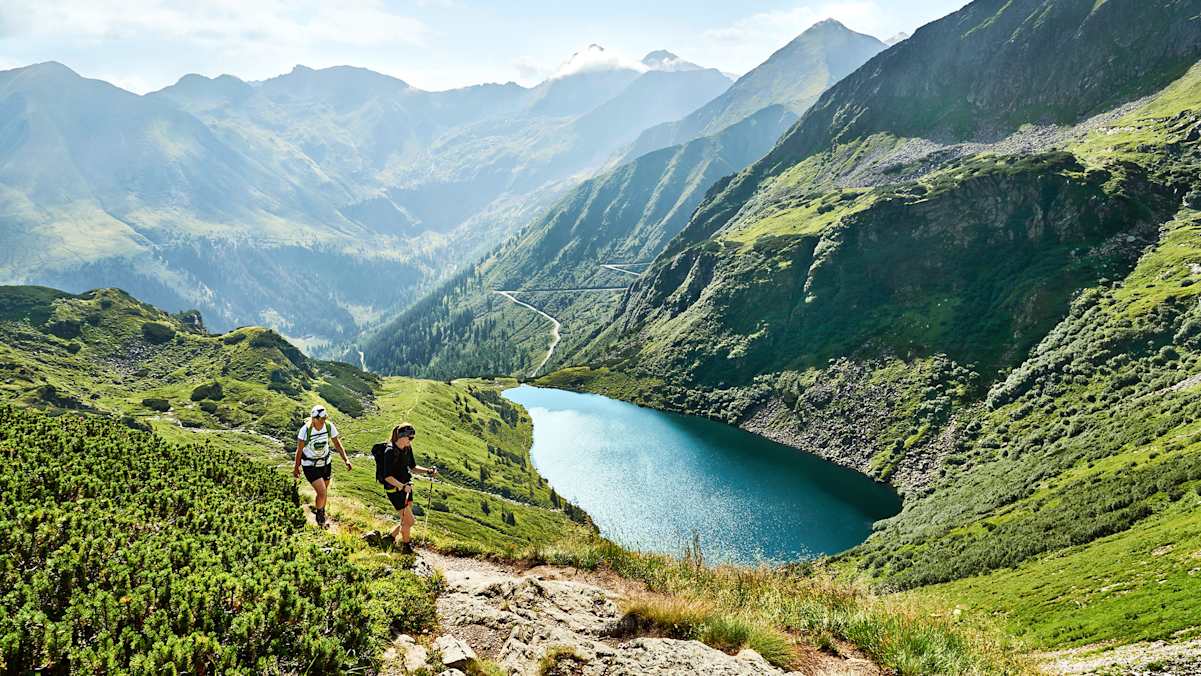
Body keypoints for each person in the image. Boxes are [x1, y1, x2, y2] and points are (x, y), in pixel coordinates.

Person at [379, 422, 437, 554]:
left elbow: (413, 467)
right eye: (410, 438)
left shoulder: (407, 448)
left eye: (413, 438)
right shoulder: (389, 451)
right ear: (401, 436)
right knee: (410, 521)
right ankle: (406, 547)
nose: (411, 441)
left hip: (406, 487)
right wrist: (402, 486)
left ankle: (390, 537)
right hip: (395, 490)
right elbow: (387, 477)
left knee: (405, 520)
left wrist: (428, 471)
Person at [293, 404, 351, 528]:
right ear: (314, 418)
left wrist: (346, 459)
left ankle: (321, 511)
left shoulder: (329, 426)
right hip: (310, 465)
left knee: (323, 492)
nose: (324, 421)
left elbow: (337, 443)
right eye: (321, 419)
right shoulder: (305, 430)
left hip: (326, 463)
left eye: (325, 418)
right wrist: (296, 467)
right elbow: (299, 450)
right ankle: (320, 519)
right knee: (322, 492)